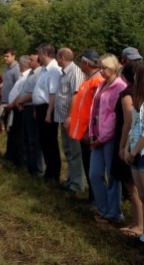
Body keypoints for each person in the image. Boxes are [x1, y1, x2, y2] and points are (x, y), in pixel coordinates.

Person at [89, 53, 126, 223]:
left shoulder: (119, 86)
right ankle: (104, 209)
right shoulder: (102, 84)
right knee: (94, 174)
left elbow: (114, 117)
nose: (101, 71)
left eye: (104, 67)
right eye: (100, 67)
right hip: (97, 135)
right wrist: (92, 133)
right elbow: (95, 111)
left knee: (112, 176)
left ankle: (114, 213)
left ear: (112, 67)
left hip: (109, 138)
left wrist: (102, 137)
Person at [126, 61, 144, 251]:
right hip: (138, 152)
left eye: (137, 74)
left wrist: (134, 151)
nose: (134, 77)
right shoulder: (142, 99)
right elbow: (135, 127)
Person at [111, 63, 143, 236]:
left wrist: (122, 146)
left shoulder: (127, 95)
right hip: (136, 142)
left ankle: (139, 225)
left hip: (130, 142)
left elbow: (127, 123)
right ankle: (137, 221)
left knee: (132, 187)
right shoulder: (142, 92)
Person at [69, 50, 104, 204]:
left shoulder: (97, 82)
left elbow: (96, 109)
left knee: (92, 166)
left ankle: (96, 198)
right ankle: (93, 196)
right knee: (87, 163)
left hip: (89, 132)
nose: (80, 65)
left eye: (81, 62)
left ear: (86, 63)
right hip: (83, 130)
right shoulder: (88, 80)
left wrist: (91, 131)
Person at [55, 48, 86, 194]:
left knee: (74, 151)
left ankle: (77, 184)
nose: (56, 59)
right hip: (63, 118)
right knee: (67, 150)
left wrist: (69, 116)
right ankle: (70, 179)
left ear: (62, 57)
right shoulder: (63, 73)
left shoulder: (75, 72)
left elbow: (76, 95)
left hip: (71, 119)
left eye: (57, 57)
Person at [32, 43, 62, 183]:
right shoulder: (44, 70)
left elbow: (53, 94)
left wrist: (49, 113)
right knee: (43, 141)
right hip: (40, 108)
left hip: (48, 108)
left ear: (44, 54)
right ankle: (49, 171)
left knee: (50, 141)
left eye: (39, 53)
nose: (38, 56)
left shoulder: (54, 70)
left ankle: (53, 172)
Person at [16, 53, 43, 176]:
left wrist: (21, 101)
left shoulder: (39, 73)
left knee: (34, 141)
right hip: (25, 107)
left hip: (32, 107)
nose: (29, 62)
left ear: (39, 62)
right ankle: (29, 166)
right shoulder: (31, 74)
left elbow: (34, 93)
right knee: (26, 138)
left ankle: (36, 169)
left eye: (32, 60)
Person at [6, 55, 31, 167]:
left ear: (23, 65)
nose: (19, 66)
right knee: (14, 134)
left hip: (19, 108)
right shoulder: (23, 76)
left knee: (19, 135)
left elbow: (21, 93)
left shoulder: (27, 77)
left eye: (20, 65)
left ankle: (20, 160)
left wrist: (12, 104)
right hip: (15, 108)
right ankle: (14, 157)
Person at [0, 48, 21, 160]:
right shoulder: (6, 68)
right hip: (5, 102)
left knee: (12, 129)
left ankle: (12, 154)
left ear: (14, 56)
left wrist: (13, 102)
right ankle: (9, 152)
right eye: (4, 56)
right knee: (8, 129)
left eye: (7, 56)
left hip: (12, 103)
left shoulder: (17, 69)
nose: (5, 58)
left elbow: (19, 87)